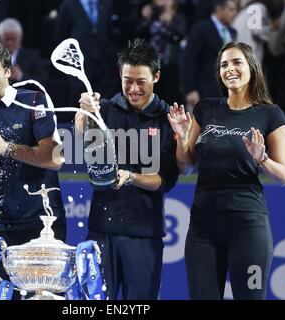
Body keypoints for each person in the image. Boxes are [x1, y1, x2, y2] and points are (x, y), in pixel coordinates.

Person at [168, 42, 285, 300]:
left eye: (237, 62)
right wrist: (181, 137)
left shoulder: (271, 115)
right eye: (224, 64)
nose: (230, 69)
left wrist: (263, 158)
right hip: (203, 228)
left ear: (252, 68)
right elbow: (186, 166)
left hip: (248, 227)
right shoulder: (205, 109)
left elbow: (284, 177)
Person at [75, 38, 179, 300]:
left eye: (141, 81)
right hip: (101, 230)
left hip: (144, 234)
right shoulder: (105, 110)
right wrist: (84, 112)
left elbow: (166, 180)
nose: (133, 88)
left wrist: (131, 177)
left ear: (156, 76)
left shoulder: (168, 118)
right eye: (127, 80)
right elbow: (81, 136)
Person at [0, 40, 66, 296]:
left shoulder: (34, 101)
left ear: (8, 71)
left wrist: (8, 147)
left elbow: (56, 158)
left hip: (40, 227)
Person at [184, 0, 238, 109]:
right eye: (231, 9)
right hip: (205, 92)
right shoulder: (201, 29)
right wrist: (189, 89)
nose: (235, 13)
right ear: (219, 9)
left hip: (228, 93)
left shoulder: (232, 32)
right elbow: (188, 59)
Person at [0, 18, 48, 85]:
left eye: (13, 39)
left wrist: (21, 76)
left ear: (20, 38)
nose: (10, 43)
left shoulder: (32, 56)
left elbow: (43, 81)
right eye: (7, 39)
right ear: (0, 39)